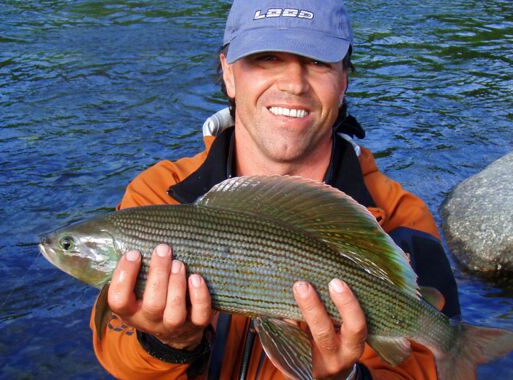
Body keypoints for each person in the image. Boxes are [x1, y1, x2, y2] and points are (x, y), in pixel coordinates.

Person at [91, 0, 460, 379]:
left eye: (318, 62)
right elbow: (118, 356)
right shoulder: (159, 193)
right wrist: (167, 344)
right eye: (266, 58)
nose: (293, 83)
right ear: (229, 73)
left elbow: (421, 369)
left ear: (344, 79)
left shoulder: (402, 220)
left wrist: (346, 377)